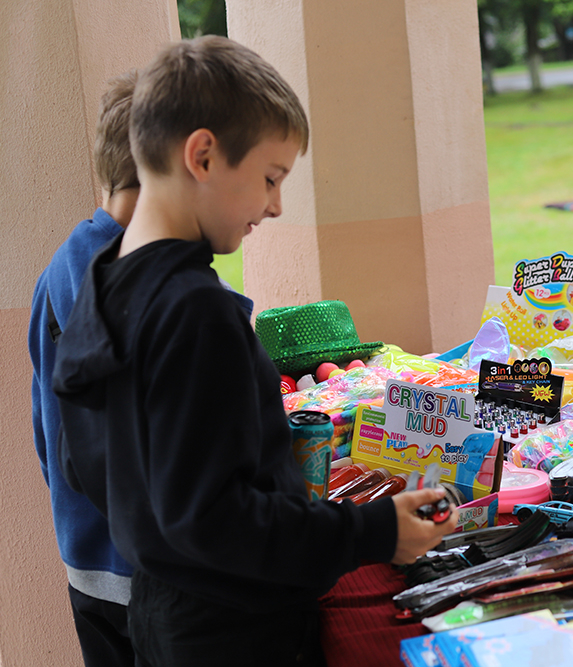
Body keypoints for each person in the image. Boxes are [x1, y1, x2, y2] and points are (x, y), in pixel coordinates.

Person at [52, 36, 456, 667]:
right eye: (270, 178)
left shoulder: (101, 280)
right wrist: (376, 531)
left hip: (162, 611)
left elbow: (93, 470)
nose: (274, 206)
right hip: (234, 630)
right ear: (204, 155)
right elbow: (216, 520)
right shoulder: (195, 309)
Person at [29, 71, 140, 667]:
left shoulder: (56, 273)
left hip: (84, 559)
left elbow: (45, 432)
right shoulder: (145, 283)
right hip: (151, 571)